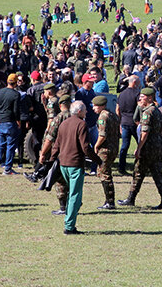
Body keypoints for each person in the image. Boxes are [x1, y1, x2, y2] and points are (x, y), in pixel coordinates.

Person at [118, 88, 162, 209]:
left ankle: (131, 199)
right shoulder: (157, 110)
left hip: (148, 147)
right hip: (157, 146)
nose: (140, 99)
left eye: (143, 97)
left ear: (150, 98)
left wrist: (139, 148)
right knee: (157, 174)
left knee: (138, 172)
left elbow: (144, 132)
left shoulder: (147, 112)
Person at [54, 100, 98, 234]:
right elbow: (85, 147)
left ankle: (70, 220)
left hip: (63, 164)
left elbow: (56, 144)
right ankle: (69, 226)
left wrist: (50, 160)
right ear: (79, 111)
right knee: (75, 195)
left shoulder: (63, 123)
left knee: (72, 194)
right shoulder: (81, 124)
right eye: (85, 110)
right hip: (75, 165)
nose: (87, 112)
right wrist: (97, 160)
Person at [0, 74, 22, 175]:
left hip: (1, 121)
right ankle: (7, 168)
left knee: (1, 144)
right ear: (16, 82)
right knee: (10, 146)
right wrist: (19, 122)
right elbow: (16, 110)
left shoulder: (0, 92)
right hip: (10, 122)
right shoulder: (16, 94)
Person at [92, 95, 119, 210]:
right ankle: (109, 200)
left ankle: (109, 201)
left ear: (101, 106)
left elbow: (102, 135)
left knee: (104, 174)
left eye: (95, 106)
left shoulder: (103, 117)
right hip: (114, 147)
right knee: (106, 172)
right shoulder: (113, 115)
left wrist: (96, 145)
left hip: (105, 149)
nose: (93, 108)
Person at [115, 74, 140, 175]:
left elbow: (117, 109)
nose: (140, 83)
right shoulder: (137, 94)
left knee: (124, 146)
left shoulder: (121, 94)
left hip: (124, 122)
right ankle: (139, 166)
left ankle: (121, 167)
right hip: (135, 123)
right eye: (138, 81)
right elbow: (139, 108)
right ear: (134, 82)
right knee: (141, 144)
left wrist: (119, 121)